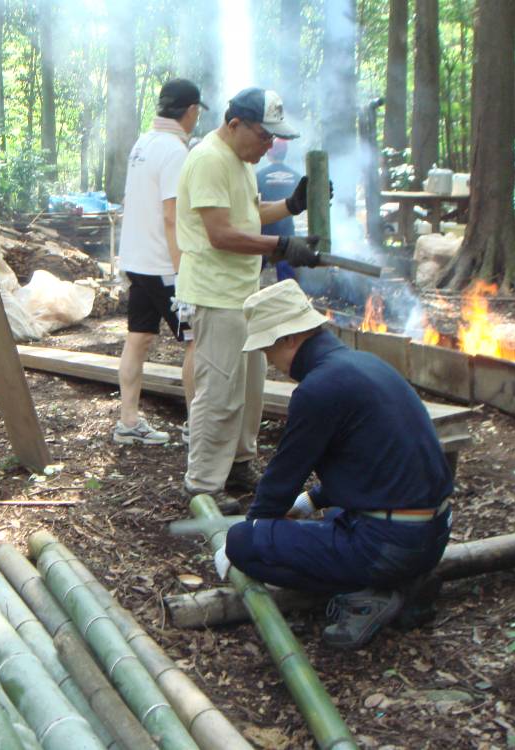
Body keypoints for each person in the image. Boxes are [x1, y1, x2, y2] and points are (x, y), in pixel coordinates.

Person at [218, 280, 454, 649]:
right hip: (432, 531)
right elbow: (375, 463)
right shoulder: (363, 365)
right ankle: (405, 580)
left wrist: (250, 535)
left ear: (288, 340)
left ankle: (370, 593)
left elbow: (281, 478)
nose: (270, 361)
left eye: (268, 350)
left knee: (244, 543)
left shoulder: (317, 389)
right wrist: (312, 500)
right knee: (321, 524)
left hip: (390, 544)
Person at [175, 87, 321, 503]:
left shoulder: (240, 160)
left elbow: (248, 214)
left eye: (274, 138)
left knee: (250, 389)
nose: (269, 145)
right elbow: (220, 234)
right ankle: (202, 484)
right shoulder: (208, 160)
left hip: (243, 292)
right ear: (235, 124)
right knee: (219, 390)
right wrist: (280, 248)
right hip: (215, 293)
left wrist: (291, 206)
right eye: (263, 135)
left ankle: (239, 466)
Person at [114, 79, 204, 445]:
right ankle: (196, 425)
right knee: (196, 340)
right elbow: (172, 215)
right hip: (163, 265)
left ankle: (128, 421)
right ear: (191, 111)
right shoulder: (174, 150)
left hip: (136, 259)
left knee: (138, 338)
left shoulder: (144, 143)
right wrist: (183, 271)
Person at [256, 138, 301, 282]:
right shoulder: (296, 176)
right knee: (287, 280)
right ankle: (289, 302)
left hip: (264, 233)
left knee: (252, 273)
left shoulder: (259, 176)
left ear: (269, 152)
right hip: (287, 232)